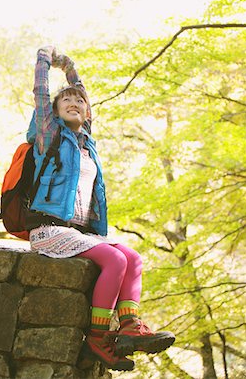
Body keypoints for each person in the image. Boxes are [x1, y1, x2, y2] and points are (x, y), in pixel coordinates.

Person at [26, 46, 175, 371]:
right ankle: (97, 337)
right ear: (53, 111)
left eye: (79, 101)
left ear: (88, 112)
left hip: (77, 233)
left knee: (133, 257)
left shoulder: (87, 144)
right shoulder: (48, 134)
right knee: (114, 258)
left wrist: (73, 69)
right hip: (48, 230)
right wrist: (46, 59)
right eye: (66, 100)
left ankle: (130, 326)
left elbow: (81, 92)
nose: (74, 103)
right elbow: (40, 93)